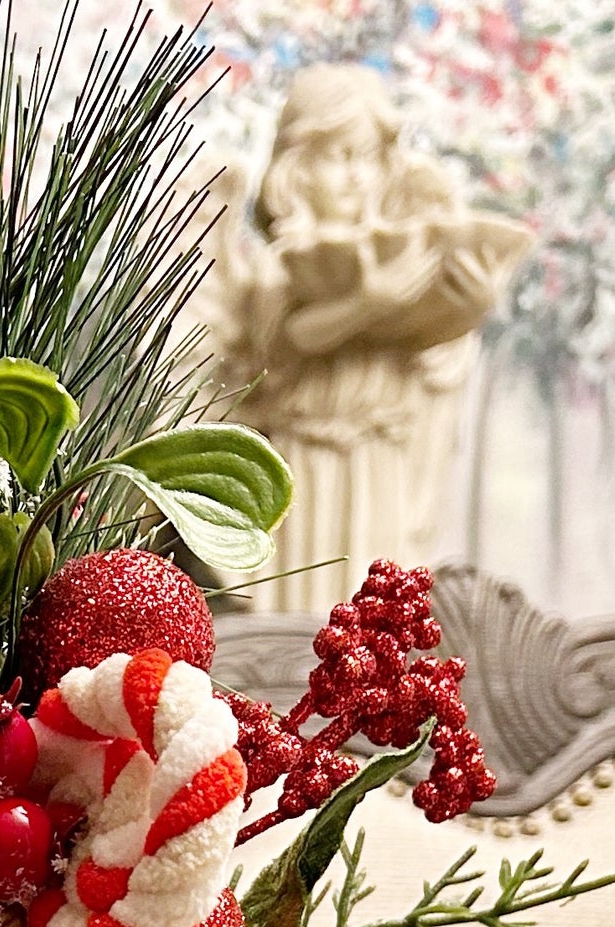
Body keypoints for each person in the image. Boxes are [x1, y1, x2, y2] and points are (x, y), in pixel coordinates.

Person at [199, 64, 531, 613]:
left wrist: (470, 303)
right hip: (302, 467)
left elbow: (434, 345)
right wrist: (366, 305)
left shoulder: (404, 255)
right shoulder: (282, 264)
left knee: (371, 620)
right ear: (298, 167)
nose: (358, 175)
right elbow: (286, 342)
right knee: (300, 619)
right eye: (339, 157)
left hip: (380, 465)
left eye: (371, 158)